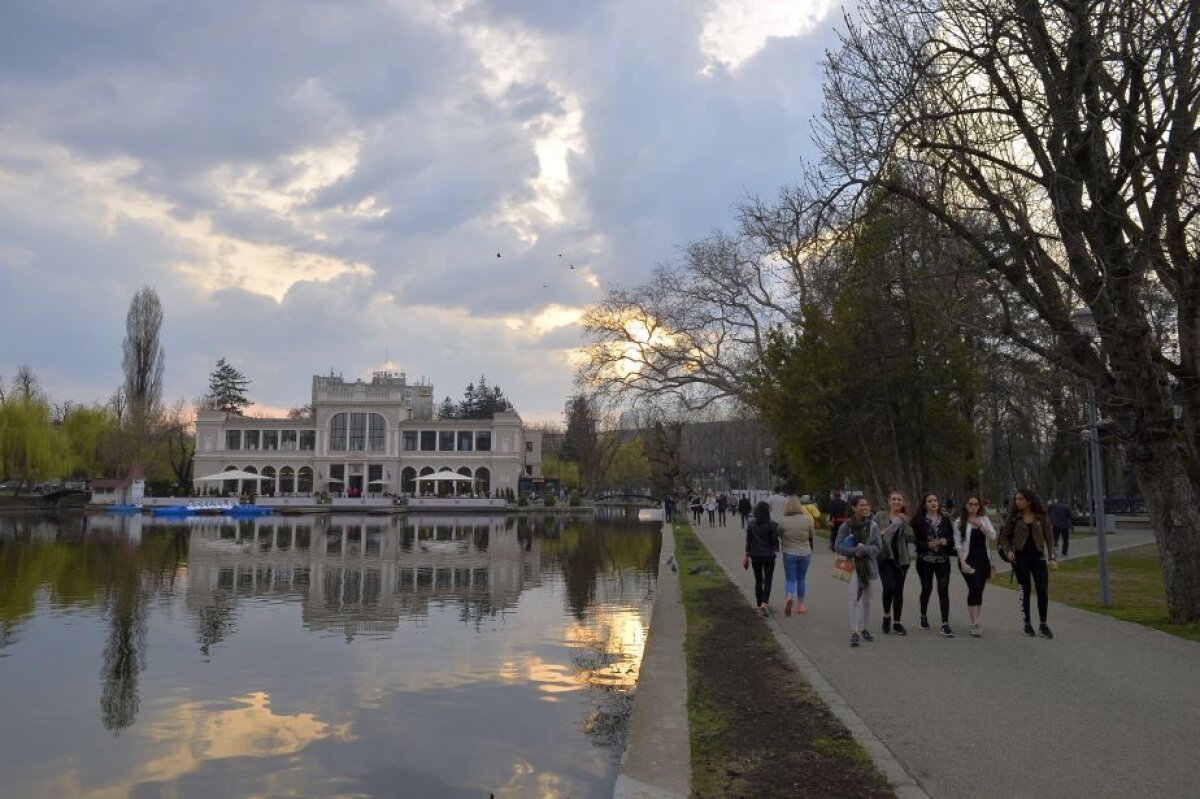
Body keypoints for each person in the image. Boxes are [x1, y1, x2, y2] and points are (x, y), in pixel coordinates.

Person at [999, 488, 1057, 639]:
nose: (1017, 502)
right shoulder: (1013, 517)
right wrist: (1008, 551)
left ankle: (1043, 624)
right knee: (1025, 590)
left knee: (1042, 590)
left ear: (1029, 501)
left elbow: (1049, 537)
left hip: (1038, 557)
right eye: (1016, 499)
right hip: (1020, 558)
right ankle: (1027, 624)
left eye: (1020, 499)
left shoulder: (1041, 516)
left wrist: (1052, 557)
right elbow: (1004, 537)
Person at [835, 495, 882, 647]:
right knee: (855, 599)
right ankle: (855, 631)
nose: (865, 507)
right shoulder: (846, 525)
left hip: (869, 566)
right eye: (862, 505)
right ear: (854, 507)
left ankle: (864, 628)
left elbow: (878, 547)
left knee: (867, 600)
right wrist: (855, 551)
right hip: (851, 565)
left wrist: (865, 549)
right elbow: (837, 546)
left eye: (867, 505)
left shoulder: (873, 526)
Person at [912, 493, 956, 637]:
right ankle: (923, 615)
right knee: (927, 588)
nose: (933, 503)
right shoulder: (919, 521)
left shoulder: (945, 519)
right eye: (930, 501)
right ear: (925, 505)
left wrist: (946, 541)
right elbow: (915, 541)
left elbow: (951, 537)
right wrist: (926, 544)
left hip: (942, 560)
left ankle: (945, 624)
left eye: (935, 500)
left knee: (943, 589)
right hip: (925, 560)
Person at [954, 495, 998, 637]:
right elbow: (958, 544)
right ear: (965, 506)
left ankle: (977, 621)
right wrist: (963, 563)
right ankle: (974, 623)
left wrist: (979, 525)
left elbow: (992, 536)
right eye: (970, 504)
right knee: (974, 587)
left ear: (979, 506)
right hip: (967, 559)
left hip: (983, 560)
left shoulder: (984, 520)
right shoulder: (959, 522)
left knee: (979, 589)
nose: (973, 507)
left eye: (976, 504)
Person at [873, 491, 914, 635]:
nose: (896, 501)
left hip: (902, 560)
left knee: (898, 591)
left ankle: (897, 622)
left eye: (899, 499)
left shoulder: (905, 519)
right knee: (889, 587)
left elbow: (910, 538)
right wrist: (881, 533)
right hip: (885, 558)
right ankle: (886, 616)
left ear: (902, 503)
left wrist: (905, 523)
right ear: (889, 501)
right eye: (894, 499)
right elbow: (871, 534)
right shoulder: (880, 516)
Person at [779, 495, 815, 616]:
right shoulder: (807, 519)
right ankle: (800, 605)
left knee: (790, 578)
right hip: (805, 552)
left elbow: (779, 533)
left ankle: (789, 596)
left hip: (789, 552)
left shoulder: (783, 520)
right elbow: (812, 534)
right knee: (801, 579)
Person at [744, 500, 780, 616]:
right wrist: (775, 548)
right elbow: (775, 540)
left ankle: (759, 604)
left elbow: (748, 540)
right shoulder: (772, 524)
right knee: (768, 580)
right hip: (769, 555)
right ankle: (765, 602)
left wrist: (747, 553)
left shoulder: (751, 524)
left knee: (758, 580)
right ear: (767, 511)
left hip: (755, 555)